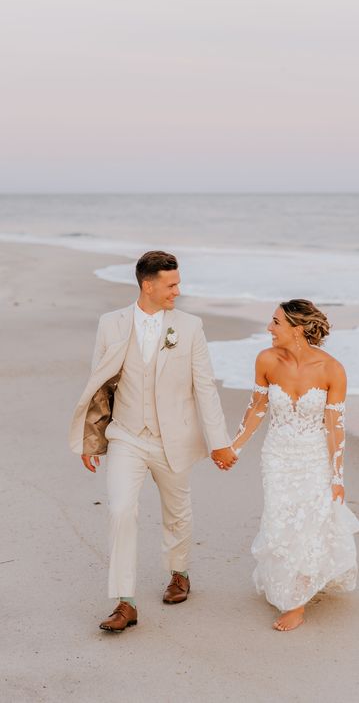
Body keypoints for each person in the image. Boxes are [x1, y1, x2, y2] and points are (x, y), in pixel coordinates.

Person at [69, 250, 237, 631]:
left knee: (176, 512)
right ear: (149, 285)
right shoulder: (110, 324)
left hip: (172, 437)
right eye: (171, 284)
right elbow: (99, 386)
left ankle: (179, 572)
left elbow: (205, 386)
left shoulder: (190, 327)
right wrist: (90, 440)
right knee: (120, 509)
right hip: (126, 435)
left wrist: (219, 442)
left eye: (177, 283)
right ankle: (124, 602)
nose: (178, 290)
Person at [230, 299, 359, 631]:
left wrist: (337, 476)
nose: (269, 329)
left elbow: (335, 426)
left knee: (308, 524)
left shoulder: (332, 369)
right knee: (279, 520)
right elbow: (256, 409)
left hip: (314, 456)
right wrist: (234, 448)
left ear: (297, 329)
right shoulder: (266, 360)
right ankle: (291, 582)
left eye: (275, 322)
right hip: (277, 455)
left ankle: (296, 602)